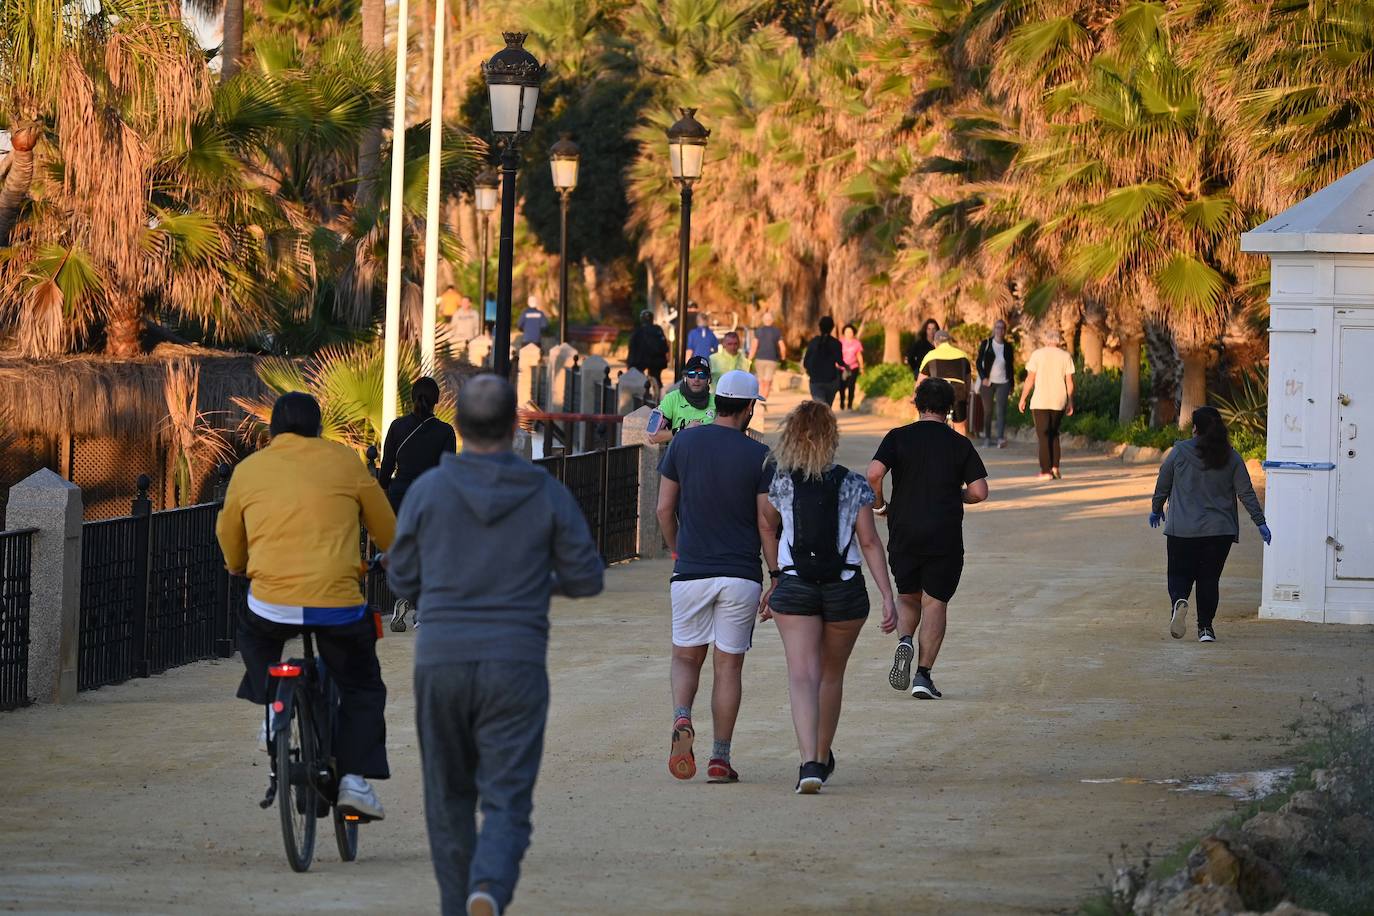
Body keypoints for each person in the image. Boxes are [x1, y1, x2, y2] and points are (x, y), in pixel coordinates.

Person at [387, 375, 603, 916]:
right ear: (514, 426)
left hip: (442, 659)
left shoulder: (427, 494)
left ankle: (457, 906)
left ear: (457, 426)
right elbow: (586, 577)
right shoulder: (545, 491)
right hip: (516, 659)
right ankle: (488, 889)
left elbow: (403, 581)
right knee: (507, 798)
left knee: (447, 797)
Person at [216, 392, 396, 821]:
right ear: (318, 429)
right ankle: (354, 780)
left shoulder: (248, 469)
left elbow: (229, 532)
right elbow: (388, 530)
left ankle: (273, 702)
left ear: (272, 430)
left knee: (254, 635)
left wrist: (239, 565)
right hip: (337, 604)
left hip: (272, 603)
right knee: (361, 684)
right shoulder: (346, 463)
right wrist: (387, 555)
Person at [757, 401, 897, 794]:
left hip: (795, 586)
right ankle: (822, 753)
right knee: (831, 675)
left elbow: (767, 526)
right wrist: (887, 596)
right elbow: (869, 542)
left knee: (802, 676)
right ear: (831, 437)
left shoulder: (781, 483)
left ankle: (808, 764)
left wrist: (774, 576)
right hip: (845, 588)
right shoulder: (852, 484)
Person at [656, 370, 770, 784]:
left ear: (717, 400)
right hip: (741, 573)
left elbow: (663, 510)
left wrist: (677, 549)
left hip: (691, 570)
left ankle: (682, 717)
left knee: (686, 656)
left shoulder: (683, 442)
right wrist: (776, 575)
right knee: (728, 667)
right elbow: (765, 521)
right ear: (749, 408)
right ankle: (720, 758)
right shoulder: (759, 455)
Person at [867, 378, 989, 700]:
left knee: (908, 596)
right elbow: (980, 491)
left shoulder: (897, 437)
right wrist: (959, 494)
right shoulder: (959, 444)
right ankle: (923, 676)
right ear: (949, 408)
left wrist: (879, 504)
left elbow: (874, 474)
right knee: (934, 601)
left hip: (903, 529)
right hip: (943, 533)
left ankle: (905, 640)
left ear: (916, 404)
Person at [1150, 407, 1270, 643]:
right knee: (1208, 579)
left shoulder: (1179, 452)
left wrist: (1156, 509)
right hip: (1219, 531)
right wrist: (1260, 522)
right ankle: (1205, 629)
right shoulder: (1231, 456)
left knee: (1179, 573)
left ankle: (1179, 601)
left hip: (1182, 529)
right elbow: (1246, 492)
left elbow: (1163, 481)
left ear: (1195, 428)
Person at [378, 377, 457, 631]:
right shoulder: (445, 432)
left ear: (412, 398)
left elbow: (387, 466)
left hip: (401, 497)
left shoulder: (397, 427)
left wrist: (384, 489)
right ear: (437, 401)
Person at [1018, 329, 1076, 480]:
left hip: (1041, 400)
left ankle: (1045, 471)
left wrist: (1023, 398)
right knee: (1054, 434)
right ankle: (1055, 467)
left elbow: (1030, 379)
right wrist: (1070, 401)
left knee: (1043, 436)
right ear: (1059, 341)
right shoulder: (1066, 356)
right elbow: (1069, 382)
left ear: (1046, 340)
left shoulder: (1037, 354)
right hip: (1059, 400)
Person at [649, 355, 715, 445]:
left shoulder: (716, 402)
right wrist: (683, 430)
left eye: (702, 375)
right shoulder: (671, 398)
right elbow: (653, 437)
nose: (696, 379)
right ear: (685, 377)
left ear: (708, 379)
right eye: (691, 374)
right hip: (679, 456)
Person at [918, 329, 972, 436]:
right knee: (960, 426)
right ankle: (961, 451)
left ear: (935, 343)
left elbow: (921, 381)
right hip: (958, 391)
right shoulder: (963, 355)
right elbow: (968, 380)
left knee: (932, 422)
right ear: (950, 342)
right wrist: (966, 395)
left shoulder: (930, 355)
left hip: (937, 392)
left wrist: (915, 395)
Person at [976, 319, 1015, 448]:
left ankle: (1000, 438)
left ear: (1005, 331)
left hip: (1003, 382)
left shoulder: (1008, 347)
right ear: (994, 329)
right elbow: (978, 363)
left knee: (1001, 411)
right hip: (988, 382)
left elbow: (1011, 366)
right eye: (997, 327)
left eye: (1002, 328)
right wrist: (983, 378)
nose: (999, 330)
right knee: (988, 411)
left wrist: (1012, 384)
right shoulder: (986, 344)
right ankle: (987, 438)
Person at [802, 316, 846, 406]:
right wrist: (848, 367)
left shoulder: (813, 342)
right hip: (831, 380)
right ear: (832, 328)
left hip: (816, 381)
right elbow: (840, 362)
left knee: (820, 407)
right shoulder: (836, 343)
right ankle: (827, 419)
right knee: (827, 408)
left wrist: (810, 372)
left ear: (819, 327)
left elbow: (805, 362)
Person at [627, 309, 670, 387]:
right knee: (656, 379)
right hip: (657, 359)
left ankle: (643, 394)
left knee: (639, 379)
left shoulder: (638, 331)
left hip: (641, 360)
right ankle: (658, 394)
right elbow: (664, 346)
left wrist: (630, 363)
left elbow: (632, 348)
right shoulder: (658, 329)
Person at [748, 312, 787, 400]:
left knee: (761, 381)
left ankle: (760, 398)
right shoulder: (777, 331)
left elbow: (754, 346)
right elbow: (782, 347)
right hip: (772, 360)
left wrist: (749, 359)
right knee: (768, 381)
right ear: (772, 320)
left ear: (763, 320)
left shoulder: (758, 331)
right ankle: (764, 399)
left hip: (759, 359)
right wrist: (783, 359)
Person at [447, 292, 482, 363]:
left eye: (466, 302)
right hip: (458, 340)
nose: (464, 304)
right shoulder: (457, 313)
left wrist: (476, 338)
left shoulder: (475, 314)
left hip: (470, 341)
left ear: (470, 303)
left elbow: (477, 328)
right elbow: (452, 327)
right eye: (462, 302)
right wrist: (451, 338)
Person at [838, 323, 865, 411]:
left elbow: (859, 355)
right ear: (844, 333)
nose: (849, 333)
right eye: (847, 332)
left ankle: (849, 405)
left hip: (853, 367)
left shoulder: (857, 343)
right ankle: (842, 402)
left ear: (853, 333)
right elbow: (836, 355)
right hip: (842, 368)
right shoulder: (840, 342)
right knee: (842, 386)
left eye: (850, 332)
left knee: (851, 386)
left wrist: (862, 368)